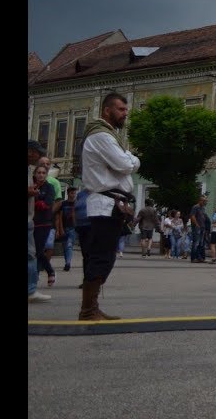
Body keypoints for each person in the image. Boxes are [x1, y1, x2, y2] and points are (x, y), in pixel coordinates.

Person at [78, 92, 140, 320]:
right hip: (105, 204)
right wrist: (133, 159)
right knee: (101, 257)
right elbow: (124, 163)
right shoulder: (102, 136)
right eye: (121, 109)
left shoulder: (108, 135)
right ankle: (87, 310)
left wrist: (126, 159)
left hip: (111, 204)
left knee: (106, 256)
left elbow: (122, 163)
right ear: (107, 110)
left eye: (126, 110)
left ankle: (92, 307)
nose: (125, 114)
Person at [28, 141, 53, 303]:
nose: (39, 158)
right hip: (31, 220)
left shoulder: (48, 186)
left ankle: (31, 289)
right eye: (38, 154)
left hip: (36, 221)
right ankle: (30, 291)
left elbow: (50, 203)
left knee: (33, 253)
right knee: (32, 254)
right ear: (30, 152)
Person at [32, 163, 58, 289]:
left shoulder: (49, 188)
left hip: (43, 223)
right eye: (39, 172)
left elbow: (46, 204)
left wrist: (35, 198)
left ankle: (50, 271)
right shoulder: (31, 185)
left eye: (43, 173)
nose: (41, 175)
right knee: (31, 251)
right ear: (34, 174)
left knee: (38, 250)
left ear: (46, 175)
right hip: (30, 221)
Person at [55, 186, 78, 273]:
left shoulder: (76, 203)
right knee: (65, 246)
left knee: (69, 245)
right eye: (72, 193)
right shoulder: (63, 204)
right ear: (68, 193)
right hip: (64, 227)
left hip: (73, 228)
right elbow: (60, 217)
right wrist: (60, 229)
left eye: (74, 193)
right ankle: (66, 262)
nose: (73, 195)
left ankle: (68, 263)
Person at [188, 195, 210, 264]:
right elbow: (192, 216)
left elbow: (204, 217)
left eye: (206, 201)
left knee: (201, 243)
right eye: (204, 201)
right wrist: (196, 224)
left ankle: (200, 257)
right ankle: (193, 258)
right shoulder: (196, 207)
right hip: (197, 228)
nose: (205, 202)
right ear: (200, 201)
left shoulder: (202, 208)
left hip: (202, 227)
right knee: (196, 243)